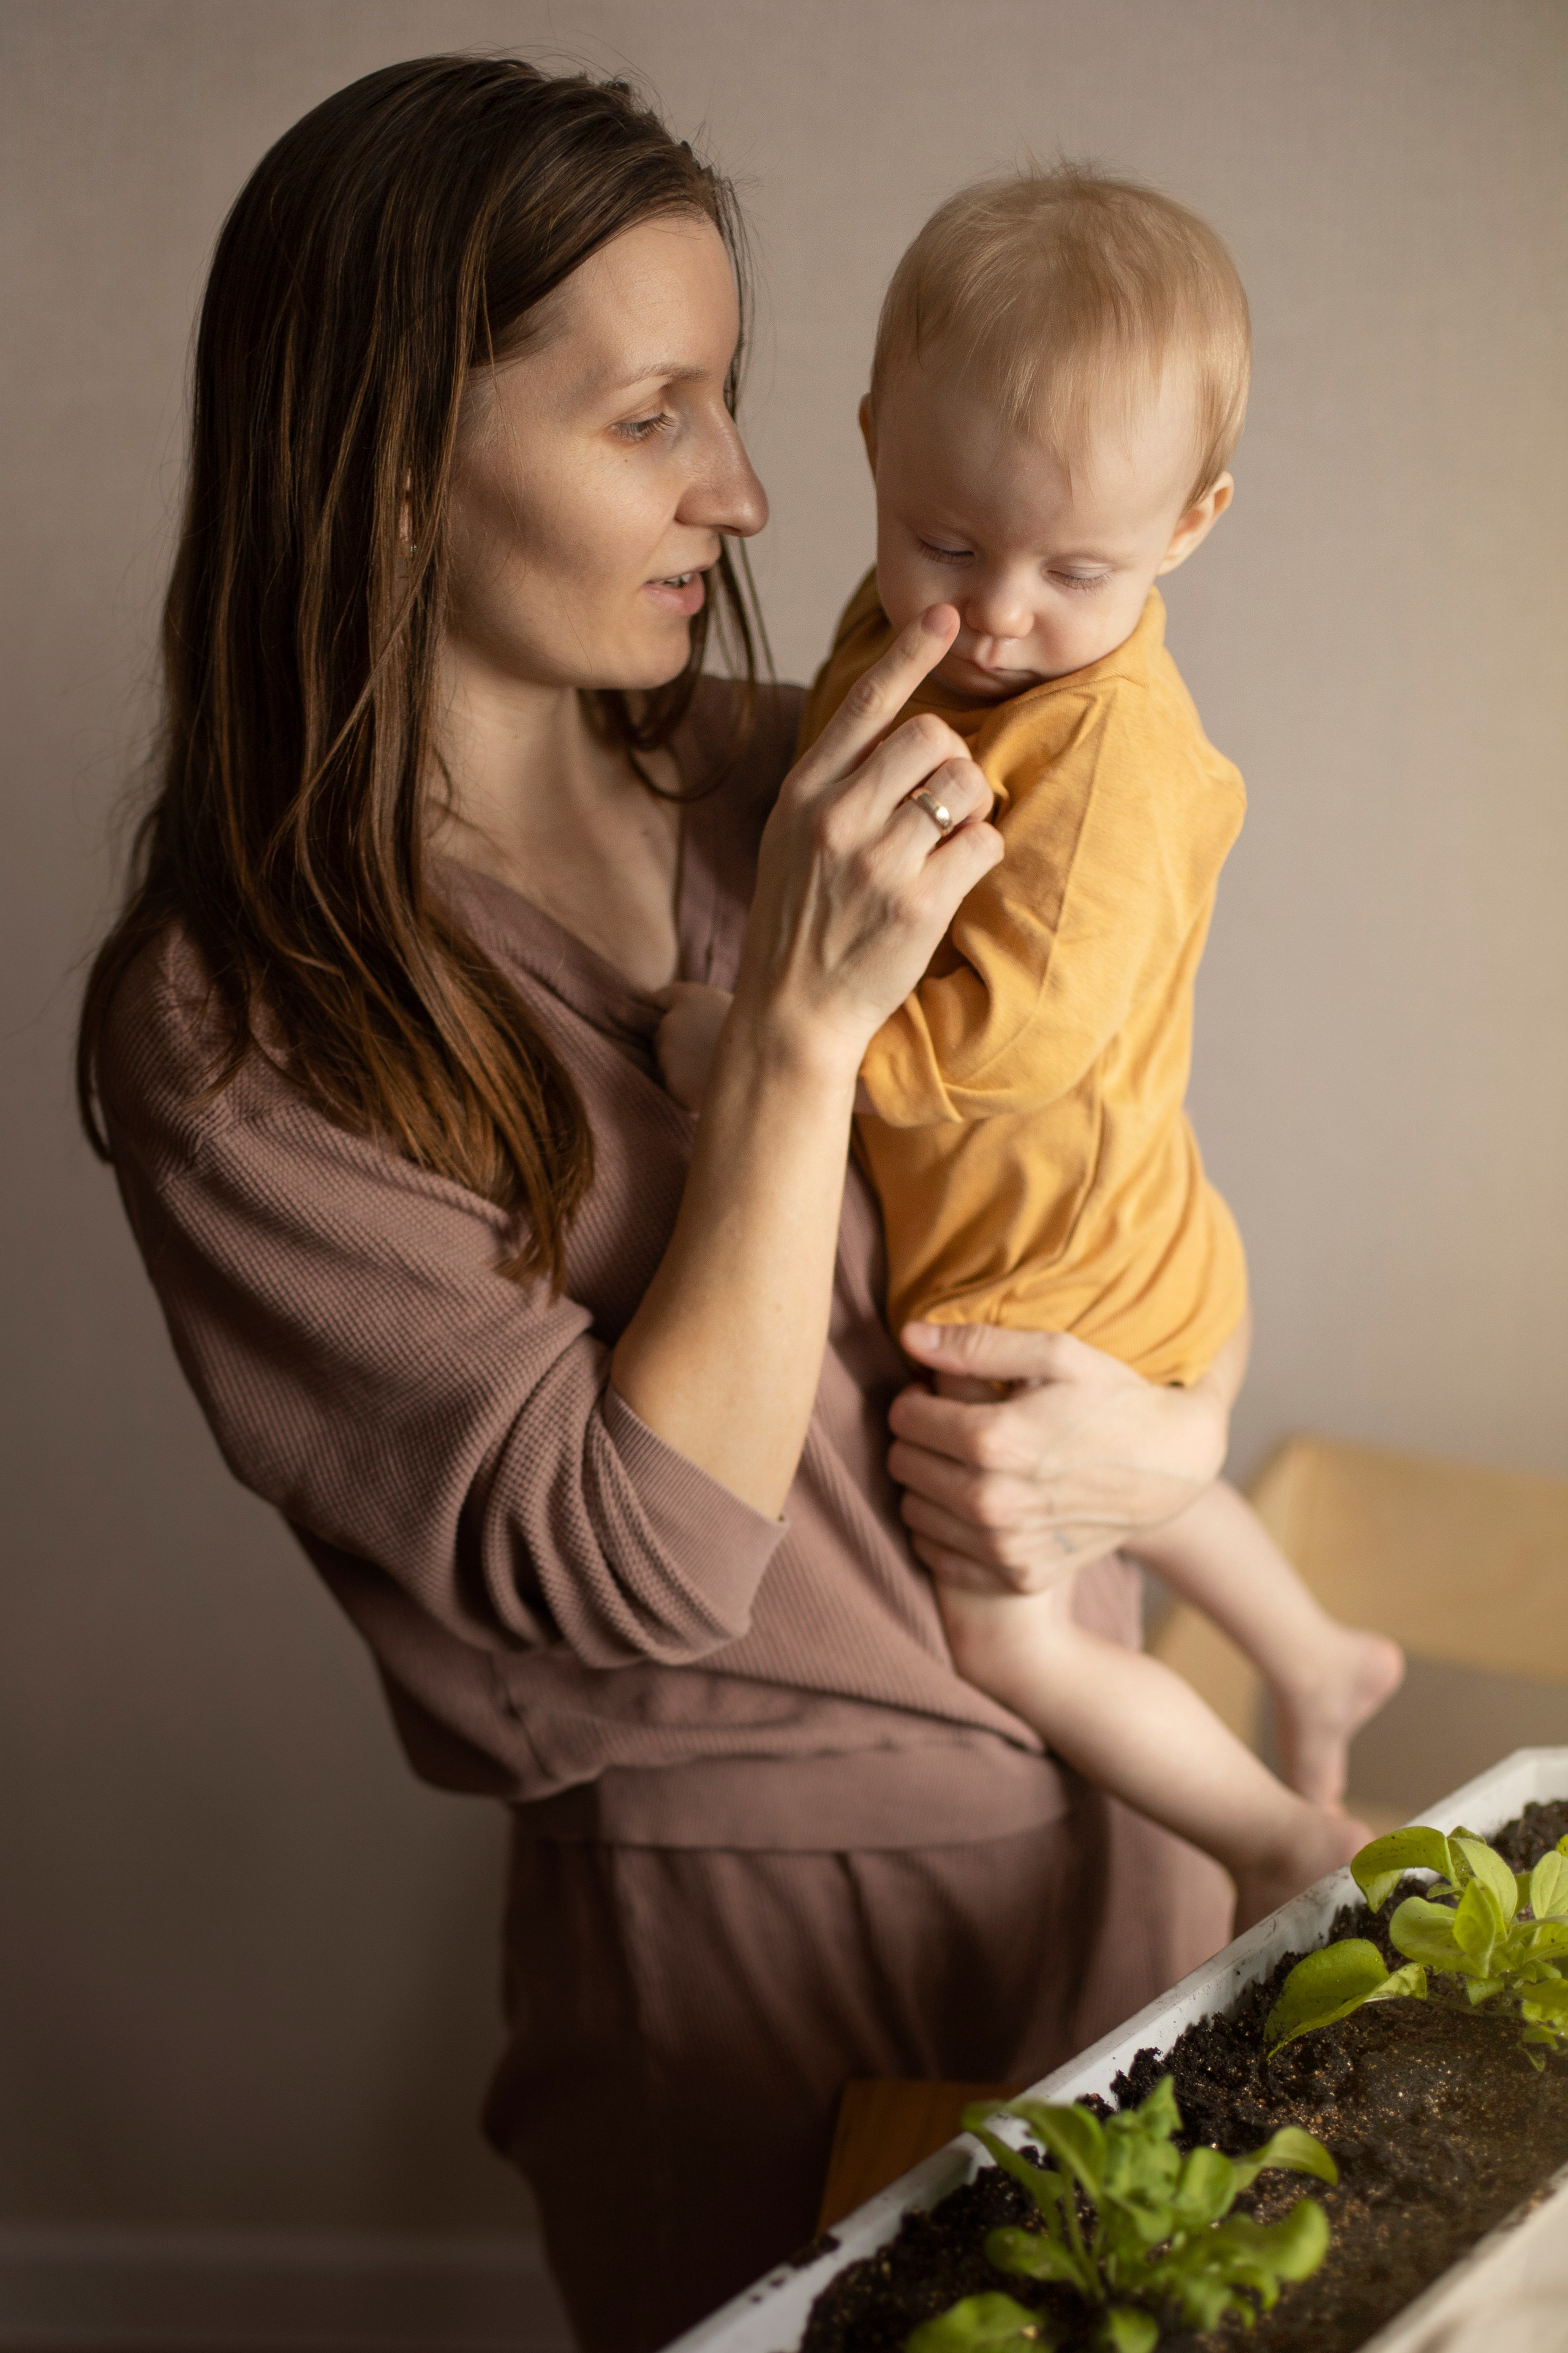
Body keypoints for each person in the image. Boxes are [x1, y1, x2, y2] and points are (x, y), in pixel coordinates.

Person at [78, 65, 1245, 2353]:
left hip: (1118, 1825)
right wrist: (795, 1049)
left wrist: (1179, 1441)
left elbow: (1114, 1148)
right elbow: (630, 1574)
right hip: (754, 1966)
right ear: (400, 458)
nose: (747, 484)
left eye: (729, 397)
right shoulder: (236, 1029)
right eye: (654, 415)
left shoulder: (794, 765)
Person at [668, 168, 1400, 1939]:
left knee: (1012, 1636)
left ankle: (1274, 1837)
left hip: (1055, 1269)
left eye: (1075, 569)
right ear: (870, 441)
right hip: (1129, 1227)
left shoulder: (1109, 774)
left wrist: (775, 1035)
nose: (993, 614)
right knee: (1160, 1498)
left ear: (1193, 521)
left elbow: (1006, 1046)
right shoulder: (915, 632)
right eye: (944, 541)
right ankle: (1318, 1650)